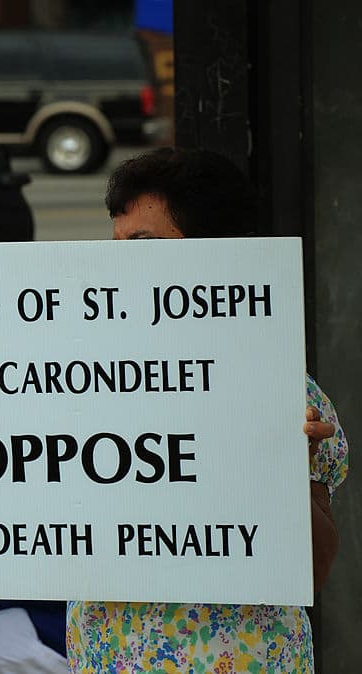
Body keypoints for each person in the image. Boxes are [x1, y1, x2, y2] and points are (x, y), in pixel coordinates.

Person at [69, 147, 349, 673]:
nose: (119, 264)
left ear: (215, 253)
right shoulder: (80, 378)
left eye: (143, 245)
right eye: (116, 245)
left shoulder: (276, 387)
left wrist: (284, 475)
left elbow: (310, 571)